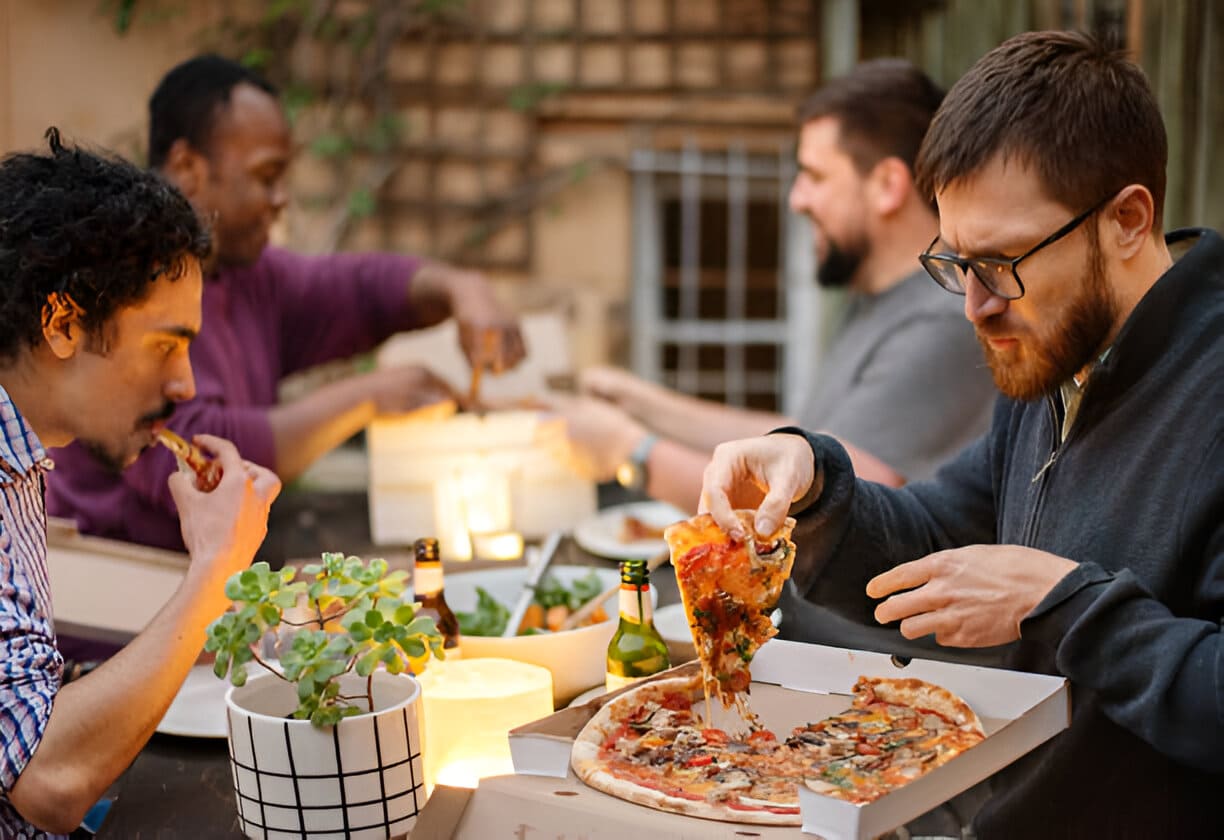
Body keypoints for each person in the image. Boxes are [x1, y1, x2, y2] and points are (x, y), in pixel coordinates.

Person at [699, 31, 1222, 838]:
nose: (975, 305)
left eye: (1002, 263)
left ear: (1126, 219)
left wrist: (1063, 604)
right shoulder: (1058, 350)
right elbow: (942, 535)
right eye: (956, 263)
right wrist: (814, 483)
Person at [45, 54, 525, 553]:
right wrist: (368, 398)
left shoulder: (248, 273)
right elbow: (194, 454)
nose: (281, 198)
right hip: (117, 593)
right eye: (265, 175)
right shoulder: (123, 286)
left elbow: (358, 288)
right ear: (187, 166)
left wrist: (461, 288)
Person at [551, 59, 995, 508]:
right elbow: (801, 447)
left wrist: (632, 451)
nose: (795, 198)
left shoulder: (942, 319)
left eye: (815, 176)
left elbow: (823, 501)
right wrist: (641, 403)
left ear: (886, 185)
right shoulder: (877, 299)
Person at [0, 130, 280, 836]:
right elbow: (47, 780)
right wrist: (215, 572)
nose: (185, 383)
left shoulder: (24, 461)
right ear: (63, 321)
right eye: (165, 343)